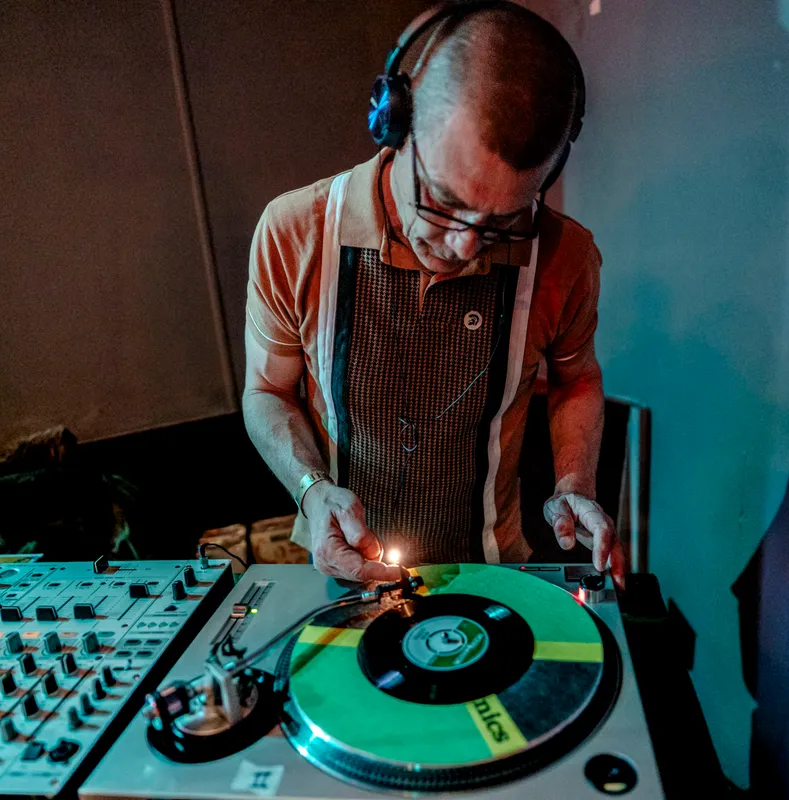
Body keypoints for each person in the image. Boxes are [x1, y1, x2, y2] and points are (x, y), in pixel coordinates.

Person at [242, 1, 623, 586]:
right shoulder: (295, 232)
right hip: (346, 565)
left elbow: (577, 380)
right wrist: (312, 490)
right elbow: (267, 390)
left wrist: (575, 482)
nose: (465, 245)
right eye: (444, 202)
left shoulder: (565, 256)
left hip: (497, 568)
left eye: (502, 219)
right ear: (395, 124)